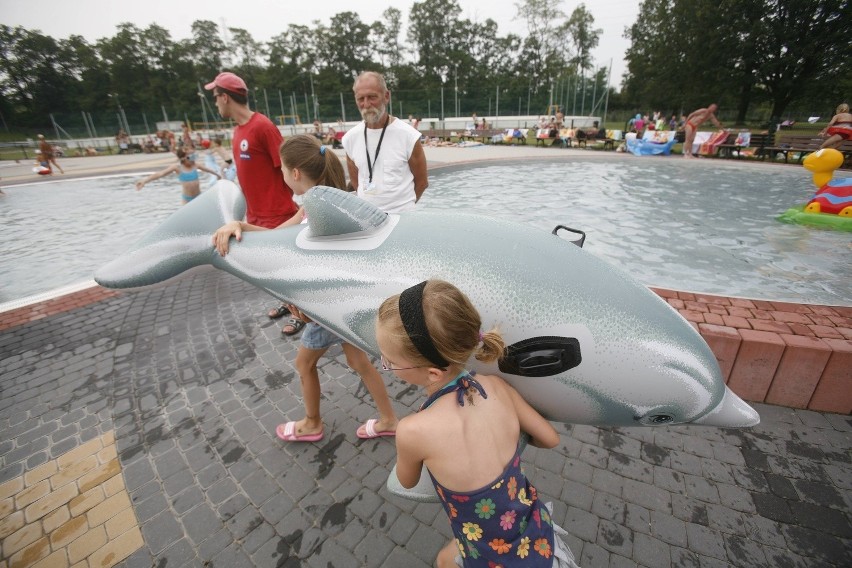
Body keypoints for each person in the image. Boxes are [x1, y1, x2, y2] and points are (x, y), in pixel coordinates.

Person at [376, 279, 579, 568]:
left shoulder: (413, 430)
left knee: (444, 561)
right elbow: (550, 438)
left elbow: (406, 481)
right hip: (531, 530)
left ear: (433, 374)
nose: (386, 364)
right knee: (446, 558)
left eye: (389, 362)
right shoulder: (496, 387)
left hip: (492, 556)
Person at [211, 134, 399, 441]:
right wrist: (241, 226)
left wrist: (306, 303)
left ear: (295, 173)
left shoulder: (317, 212)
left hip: (324, 306)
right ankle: (389, 418)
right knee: (358, 361)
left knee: (304, 362)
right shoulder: (319, 205)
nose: (282, 176)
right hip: (343, 302)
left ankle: (312, 424)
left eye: (283, 170)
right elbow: (278, 237)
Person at [205, 71, 300, 330]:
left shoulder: (263, 127)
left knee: (287, 266)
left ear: (225, 97)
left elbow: (287, 168)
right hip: (255, 214)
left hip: (277, 212)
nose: (215, 104)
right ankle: (285, 300)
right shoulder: (237, 132)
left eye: (216, 98)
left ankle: (301, 312)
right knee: (271, 268)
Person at [342, 71, 428, 212]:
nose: (366, 104)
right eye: (360, 99)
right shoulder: (350, 139)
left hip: (402, 221)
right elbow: (357, 184)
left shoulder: (408, 136)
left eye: (372, 97)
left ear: (386, 96)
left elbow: (422, 183)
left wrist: (404, 208)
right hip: (367, 222)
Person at [135, 148, 220, 204]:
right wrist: (144, 181)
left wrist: (218, 175)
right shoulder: (177, 168)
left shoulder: (195, 165)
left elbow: (207, 169)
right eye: (191, 157)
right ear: (183, 158)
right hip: (186, 199)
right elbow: (160, 174)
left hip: (198, 197)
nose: (193, 160)